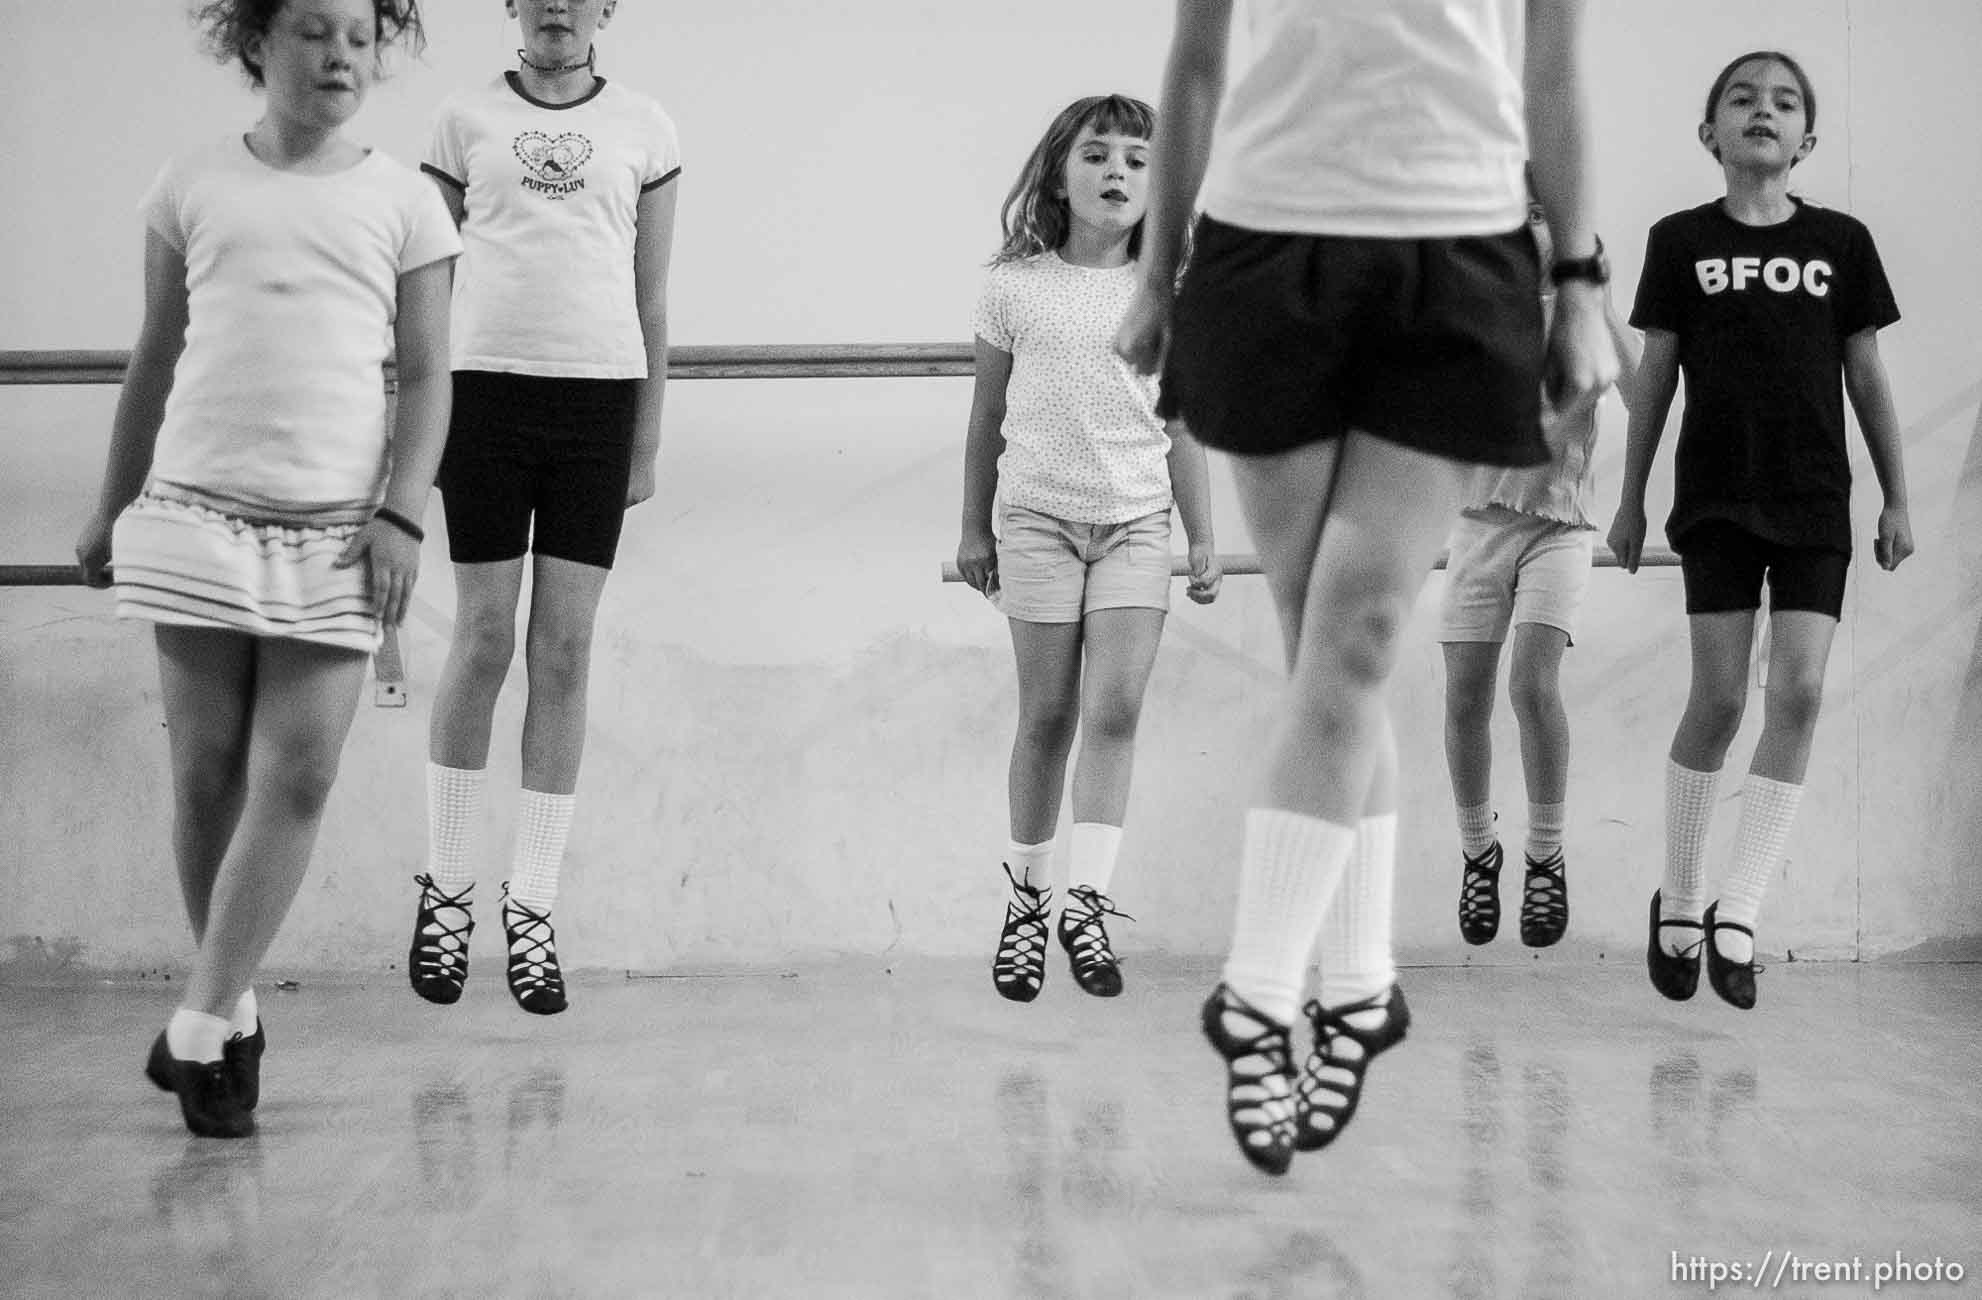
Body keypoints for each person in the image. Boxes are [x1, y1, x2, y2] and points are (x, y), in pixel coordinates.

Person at [1116, 0, 1616, 1175]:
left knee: (1357, 633)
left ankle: (1255, 994)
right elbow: (1194, 61)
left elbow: (1554, 67)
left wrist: (1580, 283)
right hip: (1260, 250)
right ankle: (1358, 989)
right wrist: (1157, 266)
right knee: (1321, 655)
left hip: (1456, 256)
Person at [74, 0, 457, 1137]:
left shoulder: (406, 201)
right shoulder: (191, 182)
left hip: (339, 530)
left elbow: (431, 377)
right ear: (255, 44)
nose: (339, 54)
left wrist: (403, 515)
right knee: (204, 778)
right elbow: (157, 352)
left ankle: (191, 1024)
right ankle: (227, 1015)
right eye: (310, 32)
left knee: (298, 776)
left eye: (359, 35)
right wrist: (109, 506)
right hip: (193, 512)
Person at [1610, 50, 1911, 1011]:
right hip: (1718, 498)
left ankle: (1739, 906)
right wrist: (1628, 497)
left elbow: (1865, 375)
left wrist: (1896, 494)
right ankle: (1682, 894)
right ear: (1711, 134)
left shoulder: (1843, 243)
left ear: (1807, 140)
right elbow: (1653, 377)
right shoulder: (1679, 240)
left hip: (1817, 498)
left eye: (1783, 103)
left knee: (1804, 692)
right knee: (1719, 700)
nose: (1762, 112)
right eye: (1742, 99)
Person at [409, 0, 680, 1015]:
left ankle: (533, 907)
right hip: (481, 395)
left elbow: (652, 295)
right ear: (512, 6)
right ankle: (447, 890)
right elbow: (423, 286)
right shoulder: (459, 120)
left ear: (606, 7)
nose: (558, 4)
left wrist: (644, 434)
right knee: (483, 641)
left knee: (562, 651)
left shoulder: (646, 126)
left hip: (597, 403)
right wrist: (418, 417)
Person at [956, 94, 1221, 1004]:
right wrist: (971, 526)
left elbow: (1181, 423)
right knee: (1049, 715)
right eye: (1097, 155)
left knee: (1115, 711)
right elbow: (986, 416)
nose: (1117, 172)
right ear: (1058, 175)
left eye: (1138, 160)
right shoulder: (1015, 286)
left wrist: (1205, 535)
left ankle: (1087, 903)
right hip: (1035, 522)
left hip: (1138, 525)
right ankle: (1027, 900)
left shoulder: (1168, 295)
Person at [1442, 192, 1642, 950]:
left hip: (1558, 526)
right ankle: (1477, 852)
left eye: (1541, 211)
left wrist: (1603, 297)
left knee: (1532, 684)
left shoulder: (1579, 311)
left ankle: (1546, 856)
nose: (1529, 226)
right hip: (1478, 522)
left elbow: (1643, 384)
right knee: (1464, 698)